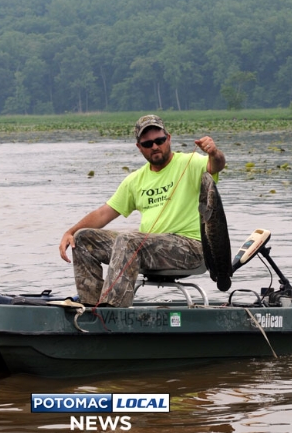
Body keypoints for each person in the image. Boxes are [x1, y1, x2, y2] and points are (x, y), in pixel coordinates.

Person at [59, 114, 226, 308]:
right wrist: (70, 232)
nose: (155, 146)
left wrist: (214, 153)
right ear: (139, 147)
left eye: (159, 140)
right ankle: (90, 308)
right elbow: (104, 213)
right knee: (83, 238)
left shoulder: (190, 162)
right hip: (146, 247)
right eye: (148, 144)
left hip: (191, 249)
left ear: (168, 138)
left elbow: (217, 165)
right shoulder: (135, 180)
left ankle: (112, 310)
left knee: (129, 239)